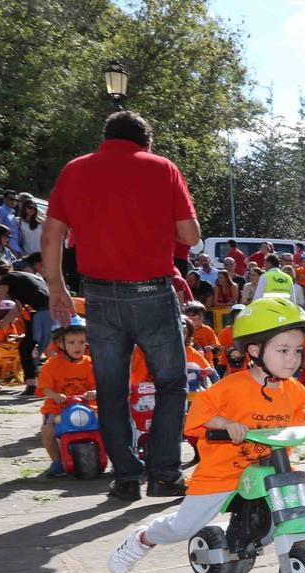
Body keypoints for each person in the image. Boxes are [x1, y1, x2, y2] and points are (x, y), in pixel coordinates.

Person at [41, 110, 199, 503]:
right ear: (146, 142)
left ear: (105, 138)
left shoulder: (75, 170)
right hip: (151, 294)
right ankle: (163, 473)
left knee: (110, 388)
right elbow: (190, 234)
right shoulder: (162, 168)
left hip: (99, 295)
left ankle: (125, 477)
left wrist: (57, 288)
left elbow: (52, 234)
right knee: (170, 383)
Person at [106, 298, 305, 573]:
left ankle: (268, 543)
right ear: (255, 350)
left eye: (297, 350)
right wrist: (225, 422)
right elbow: (199, 412)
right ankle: (143, 538)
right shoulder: (231, 387)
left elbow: (303, 405)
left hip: (270, 469)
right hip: (223, 473)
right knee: (183, 527)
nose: (293, 358)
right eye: (283, 350)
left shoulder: (291, 387)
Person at [35, 317, 97, 477]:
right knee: (47, 429)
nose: (78, 346)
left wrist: (94, 392)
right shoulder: (51, 365)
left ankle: (115, 456)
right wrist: (55, 395)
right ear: (60, 344)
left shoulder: (90, 363)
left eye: (81, 342)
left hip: (88, 406)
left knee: (110, 425)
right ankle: (57, 461)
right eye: (72, 342)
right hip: (59, 407)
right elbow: (45, 387)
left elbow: (97, 384)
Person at [0, 258, 50, 393]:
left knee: (30, 348)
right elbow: (17, 310)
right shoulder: (23, 279)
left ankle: (35, 383)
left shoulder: (7, 279)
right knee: (30, 347)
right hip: (51, 309)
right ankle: (34, 382)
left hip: (41, 313)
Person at [183, 302, 220, 367]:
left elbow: (216, 345)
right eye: (193, 320)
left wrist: (211, 347)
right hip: (190, 364)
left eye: (200, 319)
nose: (197, 322)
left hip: (207, 364)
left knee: (215, 377)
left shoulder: (207, 330)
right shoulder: (185, 331)